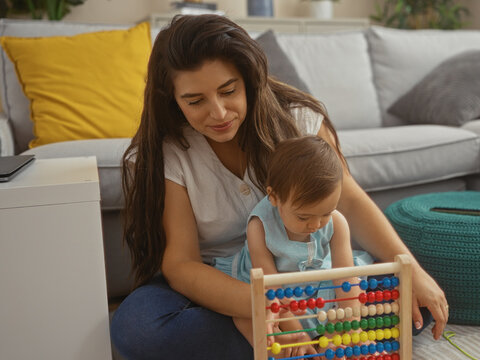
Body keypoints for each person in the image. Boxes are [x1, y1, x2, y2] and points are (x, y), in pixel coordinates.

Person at [110, 14, 448, 360]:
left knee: (406, 303)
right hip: (222, 284)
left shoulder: (298, 120)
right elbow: (181, 265)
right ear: (173, 99)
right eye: (195, 101)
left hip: (311, 278)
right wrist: (272, 308)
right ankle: (308, 341)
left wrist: (412, 270)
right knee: (139, 329)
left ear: (249, 79)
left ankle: (297, 343)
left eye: (229, 90)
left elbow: (347, 199)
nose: (218, 112)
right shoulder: (173, 152)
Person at [216, 135, 372, 357]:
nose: (316, 225)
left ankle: (324, 340)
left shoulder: (337, 223)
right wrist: (303, 337)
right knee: (246, 317)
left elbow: (346, 278)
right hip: (274, 290)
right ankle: (294, 349)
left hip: (317, 282)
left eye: (326, 213)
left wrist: (347, 327)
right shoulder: (259, 227)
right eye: (303, 217)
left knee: (359, 300)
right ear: (274, 197)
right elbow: (270, 289)